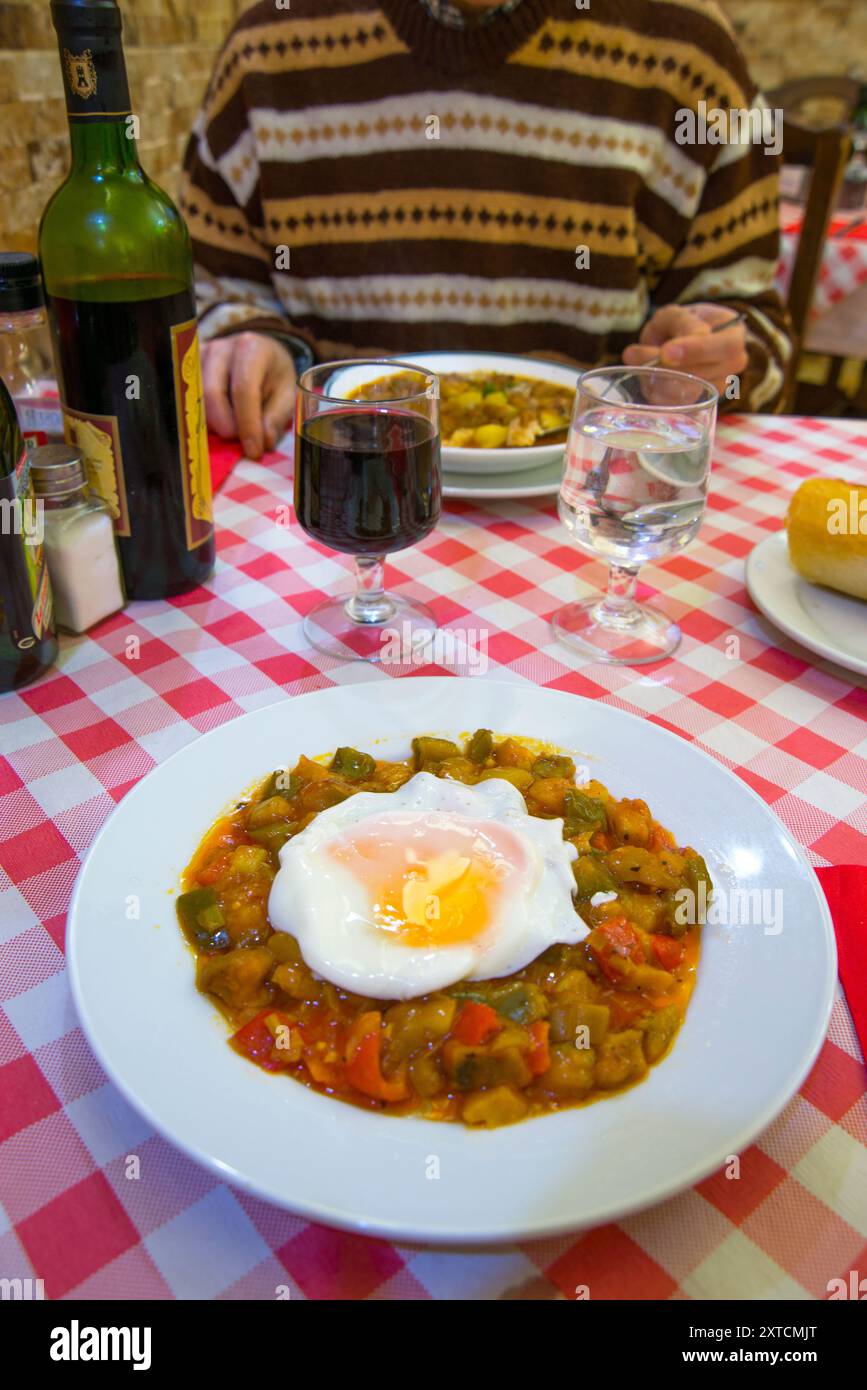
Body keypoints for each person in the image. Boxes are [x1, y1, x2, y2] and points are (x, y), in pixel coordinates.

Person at [180, 0, 793, 460]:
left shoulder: (689, 50)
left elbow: (761, 337)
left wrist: (703, 358)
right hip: (333, 497)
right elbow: (205, 298)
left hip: (593, 508)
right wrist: (251, 345)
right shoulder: (267, 46)